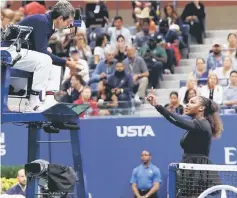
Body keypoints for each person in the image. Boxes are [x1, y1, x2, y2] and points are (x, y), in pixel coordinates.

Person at [1, 0, 78, 112]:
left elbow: (40, 48)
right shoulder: (43, 22)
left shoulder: (48, 23)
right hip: (7, 50)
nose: (69, 25)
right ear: (61, 18)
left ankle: (49, 98)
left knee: (50, 57)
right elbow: (42, 52)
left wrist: (61, 61)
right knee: (46, 59)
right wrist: (66, 62)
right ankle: (34, 103)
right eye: (69, 21)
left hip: (18, 51)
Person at [146, 88, 223, 197]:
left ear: (201, 108)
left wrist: (157, 106)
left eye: (192, 102)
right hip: (189, 167)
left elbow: (177, 120)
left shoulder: (202, 124)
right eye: (187, 102)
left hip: (196, 171)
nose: (187, 105)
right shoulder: (197, 124)